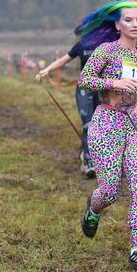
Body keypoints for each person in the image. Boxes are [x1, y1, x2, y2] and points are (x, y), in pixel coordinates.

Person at [77, 0, 137, 271]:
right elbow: (85, 80)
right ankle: (94, 207)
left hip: (135, 123)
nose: (135, 25)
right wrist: (112, 81)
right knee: (111, 191)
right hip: (107, 123)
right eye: (129, 20)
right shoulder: (106, 51)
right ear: (118, 24)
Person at [36, 37, 100, 178]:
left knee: (102, 127)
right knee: (88, 125)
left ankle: (101, 159)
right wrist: (47, 69)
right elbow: (64, 60)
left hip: (105, 89)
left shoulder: (110, 42)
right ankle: (88, 162)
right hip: (85, 89)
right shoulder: (82, 44)